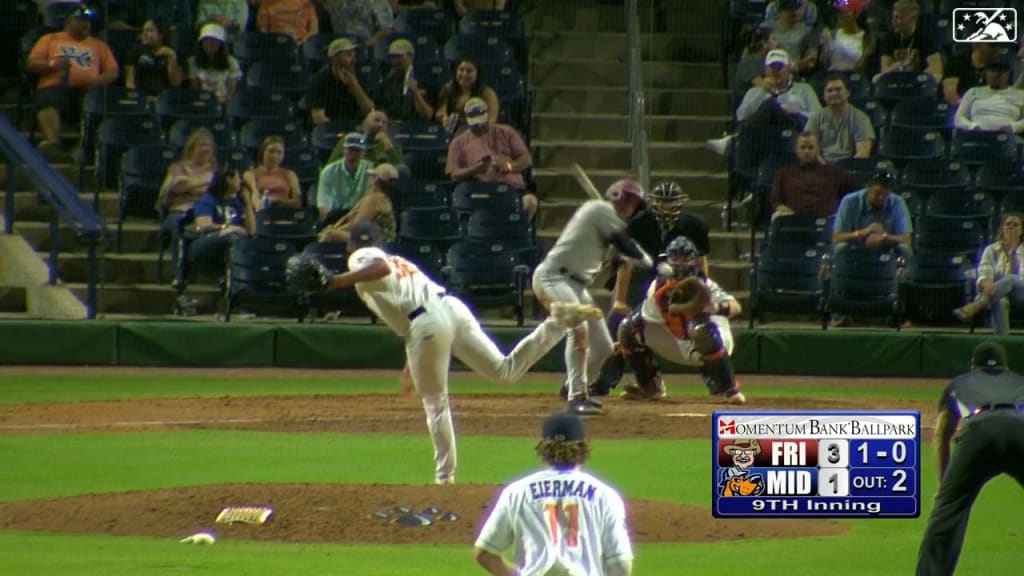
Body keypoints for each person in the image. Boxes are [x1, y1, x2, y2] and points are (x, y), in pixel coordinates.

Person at [297, 220, 602, 484]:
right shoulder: (402, 263)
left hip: (427, 321)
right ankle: (558, 322)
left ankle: (445, 480)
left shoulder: (364, 255)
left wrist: (336, 280)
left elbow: (379, 267)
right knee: (504, 372)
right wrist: (412, 361)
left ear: (354, 244)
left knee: (435, 404)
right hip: (449, 309)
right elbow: (405, 307)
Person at [532, 179, 655, 415]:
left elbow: (618, 255)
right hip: (553, 277)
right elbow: (624, 243)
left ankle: (573, 384)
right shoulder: (599, 209)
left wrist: (626, 257)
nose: (630, 205)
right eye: (627, 199)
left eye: (635, 202)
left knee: (603, 347)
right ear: (615, 195)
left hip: (577, 285)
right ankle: (577, 396)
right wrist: (651, 263)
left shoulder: (609, 225)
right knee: (578, 330)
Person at [474, 413, 634, 576]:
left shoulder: (516, 492)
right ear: (583, 447)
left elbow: (484, 553)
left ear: (544, 447)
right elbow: (620, 564)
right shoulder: (605, 496)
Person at [915, 342, 1024, 576]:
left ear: (974, 366)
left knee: (947, 512)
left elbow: (942, 432)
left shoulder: (961, 382)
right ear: (1005, 366)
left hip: (979, 433)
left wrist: (946, 489)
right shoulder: (1019, 380)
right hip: (1019, 429)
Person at [605, 236, 745, 404]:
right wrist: (625, 343)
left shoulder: (704, 285)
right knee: (626, 328)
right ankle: (650, 387)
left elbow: (736, 306)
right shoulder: (657, 287)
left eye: (685, 258)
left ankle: (728, 389)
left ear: (694, 261)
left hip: (713, 340)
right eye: (675, 258)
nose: (680, 263)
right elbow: (641, 321)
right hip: (678, 340)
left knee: (701, 329)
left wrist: (713, 308)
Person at [26, 5, 119, 159]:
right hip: (56, 88)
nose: (86, 25)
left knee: (99, 103)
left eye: (88, 22)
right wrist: (52, 65)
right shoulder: (50, 39)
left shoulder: (98, 44)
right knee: (46, 99)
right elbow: (31, 64)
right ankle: (53, 143)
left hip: (88, 91)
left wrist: (99, 80)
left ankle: (84, 148)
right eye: (82, 21)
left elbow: (113, 71)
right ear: (69, 21)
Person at [175, 164, 255, 314]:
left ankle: (236, 298)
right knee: (233, 238)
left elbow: (251, 231)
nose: (240, 182)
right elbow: (203, 225)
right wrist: (227, 228)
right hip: (202, 246)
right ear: (228, 179)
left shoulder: (236, 203)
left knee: (239, 244)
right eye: (238, 177)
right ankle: (237, 297)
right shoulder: (208, 199)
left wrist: (248, 202)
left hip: (228, 248)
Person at [445, 97, 536, 218]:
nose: (479, 127)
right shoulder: (458, 143)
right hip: (479, 191)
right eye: (475, 125)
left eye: (481, 123)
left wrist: (509, 166)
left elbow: (526, 160)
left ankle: (518, 230)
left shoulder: (507, 132)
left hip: (510, 189)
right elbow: (454, 173)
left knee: (530, 202)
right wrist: (474, 170)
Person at [157, 127, 219, 271]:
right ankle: (178, 275)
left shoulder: (215, 170)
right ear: (192, 148)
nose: (206, 149)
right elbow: (174, 188)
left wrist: (188, 185)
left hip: (205, 213)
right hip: (178, 212)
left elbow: (216, 192)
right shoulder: (177, 168)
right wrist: (206, 182)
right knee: (179, 224)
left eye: (209, 146)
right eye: (202, 145)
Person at [953, 213, 1023, 334]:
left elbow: (1021, 278)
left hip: (1021, 293)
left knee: (1011, 279)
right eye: (1008, 224)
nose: (1011, 227)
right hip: (996, 292)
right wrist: (988, 285)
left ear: (1022, 230)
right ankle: (1003, 343)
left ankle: (977, 305)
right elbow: (984, 273)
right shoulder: (991, 250)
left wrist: (1012, 253)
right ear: (1002, 229)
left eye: (1015, 225)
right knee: (1000, 301)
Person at [770, 132, 861, 219]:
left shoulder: (833, 172)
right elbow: (775, 199)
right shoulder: (784, 173)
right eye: (803, 147)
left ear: (818, 150)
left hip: (828, 219)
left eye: (811, 147)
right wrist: (780, 207)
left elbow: (857, 191)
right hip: (793, 217)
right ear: (796, 150)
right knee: (777, 216)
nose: (807, 151)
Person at [831, 168, 912, 259]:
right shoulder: (850, 201)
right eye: (877, 193)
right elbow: (837, 237)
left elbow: (906, 239)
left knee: (905, 248)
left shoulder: (897, 202)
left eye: (885, 195)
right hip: (855, 249)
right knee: (840, 247)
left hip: (887, 252)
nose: (881, 198)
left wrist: (884, 237)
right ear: (868, 188)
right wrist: (863, 233)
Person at [803, 75, 875, 164]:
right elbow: (808, 148)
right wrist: (825, 168)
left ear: (848, 93)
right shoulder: (816, 118)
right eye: (829, 90)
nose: (834, 93)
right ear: (824, 96)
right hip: (821, 168)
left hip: (849, 168)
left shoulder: (861, 118)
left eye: (838, 89)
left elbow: (863, 153)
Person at [318, 162, 398, 243]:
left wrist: (337, 230)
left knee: (330, 234)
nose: (369, 178)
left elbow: (358, 224)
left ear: (375, 180)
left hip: (374, 240)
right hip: (373, 238)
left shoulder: (375, 199)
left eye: (371, 176)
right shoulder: (382, 198)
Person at [308, 37, 375, 126]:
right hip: (333, 125)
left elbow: (368, 109)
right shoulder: (321, 79)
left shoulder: (359, 75)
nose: (353, 59)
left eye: (353, 54)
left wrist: (355, 86)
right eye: (348, 55)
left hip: (358, 126)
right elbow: (318, 116)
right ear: (334, 57)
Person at [953, 52, 1024, 135]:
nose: (996, 75)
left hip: (1007, 137)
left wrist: (1013, 127)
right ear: (986, 73)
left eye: (1001, 71)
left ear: (1008, 74)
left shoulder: (1020, 95)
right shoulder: (973, 92)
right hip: (976, 135)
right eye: (993, 70)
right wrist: (972, 127)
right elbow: (958, 118)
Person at [876, 0, 942, 83]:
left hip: (919, 82)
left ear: (912, 18)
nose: (893, 22)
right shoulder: (889, 38)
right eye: (893, 17)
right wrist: (893, 69)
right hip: (895, 80)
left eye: (898, 18)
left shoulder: (925, 37)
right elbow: (884, 68)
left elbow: (936, 68)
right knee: (876, 78)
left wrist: (912, 75)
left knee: (936, 77)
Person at [316, 132, 373, 222]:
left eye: (357, 150)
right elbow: (323, 209)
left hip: (361, 219)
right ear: (343, 150)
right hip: (336, 219)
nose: (353, 154)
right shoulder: (328, 172)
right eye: (350, 150)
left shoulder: (371, 171)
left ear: (364, 153)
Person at [434, 58, 500, 134]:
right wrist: (444, 118)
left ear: (477, 74)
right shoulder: (448, 88)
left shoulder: (487, 93)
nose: (464, 74)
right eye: (461, 70)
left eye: (469, 71)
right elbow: (441, 111)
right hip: (453, 131)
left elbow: (492, 120)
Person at [376, 38, 434, 122]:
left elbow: (428, 115)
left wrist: (416, 92)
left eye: (399, 56)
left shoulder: (426, 81)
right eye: (392, 57)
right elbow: (379, 112)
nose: (395, 61)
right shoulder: (386, 84)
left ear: (411, 56)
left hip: (418, 127)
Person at [124, 19, 183, 98]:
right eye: (143, 30)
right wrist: (139, 98)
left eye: (149, 30)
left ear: (161, 35)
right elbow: (130, 83)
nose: (144, 34)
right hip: (141, 98)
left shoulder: (172, 53)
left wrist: (172, 57)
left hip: (165, 99)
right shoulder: (135, 52)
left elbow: (176, 83)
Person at [242, 136, 302, 211]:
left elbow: (297, 202)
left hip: (284, 213)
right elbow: (254, 196)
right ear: (263, 152)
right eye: (271, 151)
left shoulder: (290, 174)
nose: (275, 156)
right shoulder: (250, 174)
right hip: (261, 213)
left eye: (279, 152)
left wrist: (277, 201)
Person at [187, 23, 243, 103]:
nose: (211, 43)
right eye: (207, 39)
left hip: (224, 102)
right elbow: (195, 89)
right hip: (202, 102)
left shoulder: (231, 62)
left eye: (215, 40)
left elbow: (231, 91)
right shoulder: (192, 61)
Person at [327, 109, 403, 167]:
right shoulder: (350, 140)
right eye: (376, 120)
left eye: (384, 123)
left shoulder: (393, 145)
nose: (380, 125)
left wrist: (388, 146)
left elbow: (400, 171)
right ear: (365, 123)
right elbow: (331, 165)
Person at [819, 0, 874, 74]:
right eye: (839, 11)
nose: (841, 15)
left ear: (856, 14)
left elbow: (863, 66)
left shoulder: (866, 38)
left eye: (845, 11)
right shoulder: (832, 35)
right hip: (832, 76)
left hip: (853, 77)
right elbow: (823, 64)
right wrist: (824, 47)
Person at [319, 0, 394, 47]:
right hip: (339, 49)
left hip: (367, 48)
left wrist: (367, 44)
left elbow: (387, 29)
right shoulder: (332, 2)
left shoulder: (377, 2)